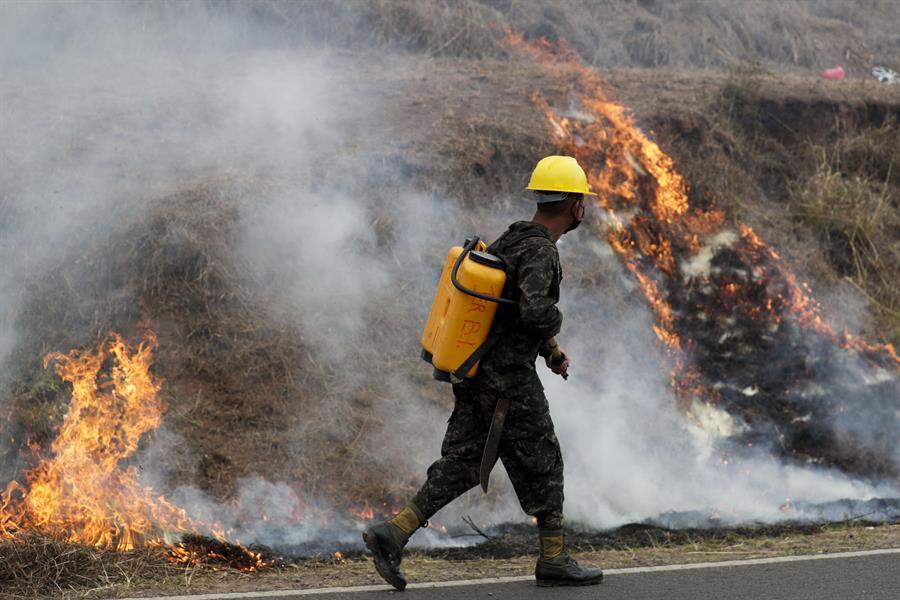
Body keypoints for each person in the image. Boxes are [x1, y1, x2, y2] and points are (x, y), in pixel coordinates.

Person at [363, 156, 603, 589]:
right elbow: (533, 311)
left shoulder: (512, 239)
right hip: (508, 380)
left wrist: (550, 351)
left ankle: (392, 533)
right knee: (544, 461)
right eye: (582, 199)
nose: (584, 207)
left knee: (463, 462)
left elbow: (505, 308)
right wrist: (554, 325)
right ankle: (554, 558)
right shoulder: (541, 250)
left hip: (477, 372)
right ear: (573, 204)